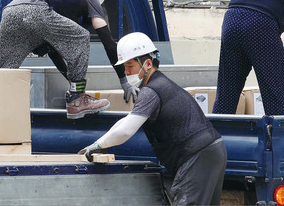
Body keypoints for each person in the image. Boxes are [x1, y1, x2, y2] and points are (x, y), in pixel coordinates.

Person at [79, 32, 227, 205]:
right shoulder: (159, 85)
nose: (126, 72)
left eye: (130, 66)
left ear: (148, 63)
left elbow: (127, 130)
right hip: (210, 151)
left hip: (197, 156)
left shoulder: (152, 90)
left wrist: (98, 146)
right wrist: (98, 143)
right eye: (124, 68)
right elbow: (127, 121)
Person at [0, 0, 138, 119]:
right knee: (81, 36)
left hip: (12, 9)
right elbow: (109, 43)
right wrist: (124, 82)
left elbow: (55, 52)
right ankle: (77, 101)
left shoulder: (62, 4)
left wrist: (73, 83)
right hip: (36, 9)